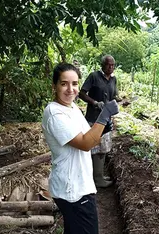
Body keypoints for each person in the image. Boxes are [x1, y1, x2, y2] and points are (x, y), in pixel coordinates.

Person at [42, 63, 119, 234]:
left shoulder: (71, 107)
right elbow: (86, 143)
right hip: (73, 191)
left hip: (78, 184)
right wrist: (104, 114)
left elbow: (87, 134)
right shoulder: (55, 113)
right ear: (54, 86)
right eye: (64, 83)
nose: (71, 89)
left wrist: (103, 127)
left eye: (75, 83)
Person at [79, 55, 120, 188]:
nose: (111, 67)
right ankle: (92, 178)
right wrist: (94, 103)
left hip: (106, 119)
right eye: (108, 65)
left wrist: (120, 101)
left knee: (103, 149)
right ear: (102, 65)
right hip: (93, 118)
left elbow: (113, 97)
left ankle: (99, 176)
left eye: (113, 65)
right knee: (93, 148)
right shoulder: (94, 76)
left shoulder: (113, 79)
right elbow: (82, 93)